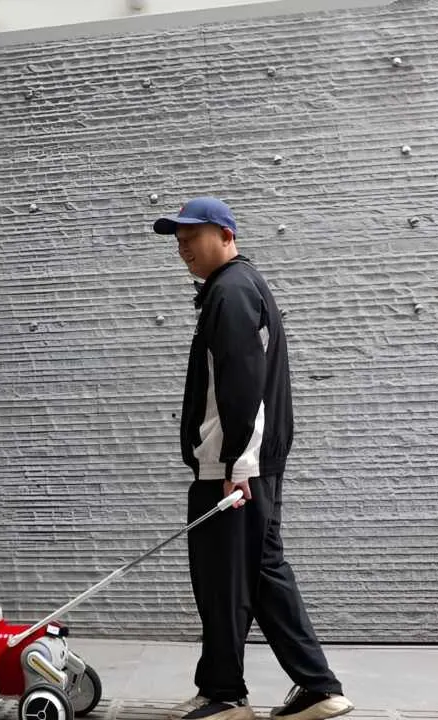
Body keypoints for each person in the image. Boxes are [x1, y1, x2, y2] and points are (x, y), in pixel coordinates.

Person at [150, 197, 354, 720]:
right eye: (178, 242)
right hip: (241, 466)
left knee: (222, 578)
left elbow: (246, 386)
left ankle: (223, 696)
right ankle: (316, 687)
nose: (184, 249)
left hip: (232, 469)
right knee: (261, 574)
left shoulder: (233, 292)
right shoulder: (234, 289)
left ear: (224, 233)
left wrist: (239, 466)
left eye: (192, 237)